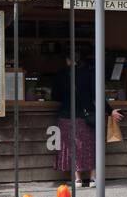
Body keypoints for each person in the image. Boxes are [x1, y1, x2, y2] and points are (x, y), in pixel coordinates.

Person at [50, 57, 122, 188]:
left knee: (72, 147)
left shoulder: (61, 75)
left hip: (67, 116)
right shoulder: (89, 75)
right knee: (90, 147)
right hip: (87, 117)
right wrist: (110, 111)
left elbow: (55, 95)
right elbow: (98, 95)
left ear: (68, 60)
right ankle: (92, 178)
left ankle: (77, 179)